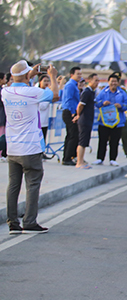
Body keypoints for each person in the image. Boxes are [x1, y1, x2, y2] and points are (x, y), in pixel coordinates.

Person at [2, 61, 59, 234]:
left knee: (13, 185)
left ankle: (12, 222)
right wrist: (53, 77)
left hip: (12, 148)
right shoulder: (33, 92)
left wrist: (29, 75)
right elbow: (55, 95)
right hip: (31, 148)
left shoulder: (5, 91)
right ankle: (29, 221)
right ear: (27, 76)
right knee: (33, 185)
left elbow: (19, 83)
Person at [93, 74, 127, 166]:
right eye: (112, 81)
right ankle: (100, 158)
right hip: (104, 121)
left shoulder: (122, 92)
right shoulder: (103, 92)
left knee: (115, 141)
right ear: (108, 82)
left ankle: (113, 159)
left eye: (115, 81)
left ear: (118, 82)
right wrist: (102, 103)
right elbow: (96, 102)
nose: (113, 83)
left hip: (117, 121)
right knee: (102, 140)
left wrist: (121, 106)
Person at [74, 73, 99, 169]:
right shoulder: (87, 92)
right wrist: (78, 115)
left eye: (98, 81)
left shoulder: (92, 92)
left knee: (85, 141)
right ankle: (79, 162)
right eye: (95, 80)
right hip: (84, 120)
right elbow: (80, 105)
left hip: (89, 119)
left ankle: (81, 160)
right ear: (89, 80)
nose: (97, 83)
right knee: (82, 141)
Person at [61, 66, 82, 166]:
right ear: (71, 75)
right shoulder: (70, 85)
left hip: (71, 111)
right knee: (73, 135)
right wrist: (73, 113)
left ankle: (69, 156)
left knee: (71, 135)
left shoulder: (74, 85)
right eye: (77, 74)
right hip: (70, 112)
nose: (79, 76)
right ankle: (67, 158)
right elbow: (69, 100)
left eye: (80, 74)